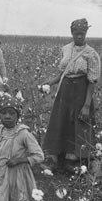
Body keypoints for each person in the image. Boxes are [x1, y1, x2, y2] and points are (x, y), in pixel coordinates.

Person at [41, 18, 100, 174]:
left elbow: (92, 81)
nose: (79, 37)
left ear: (86, 32)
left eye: (82, 33)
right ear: (72, 33)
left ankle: (73, 159)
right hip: (65, 91)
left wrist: (87, 104)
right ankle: (56, 158)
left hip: (80, 92)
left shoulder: (91, 54)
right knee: (60, 121)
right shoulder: (66, 49)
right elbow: (63, 71)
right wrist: (52, 81)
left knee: (79, 123)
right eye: (76, 33)